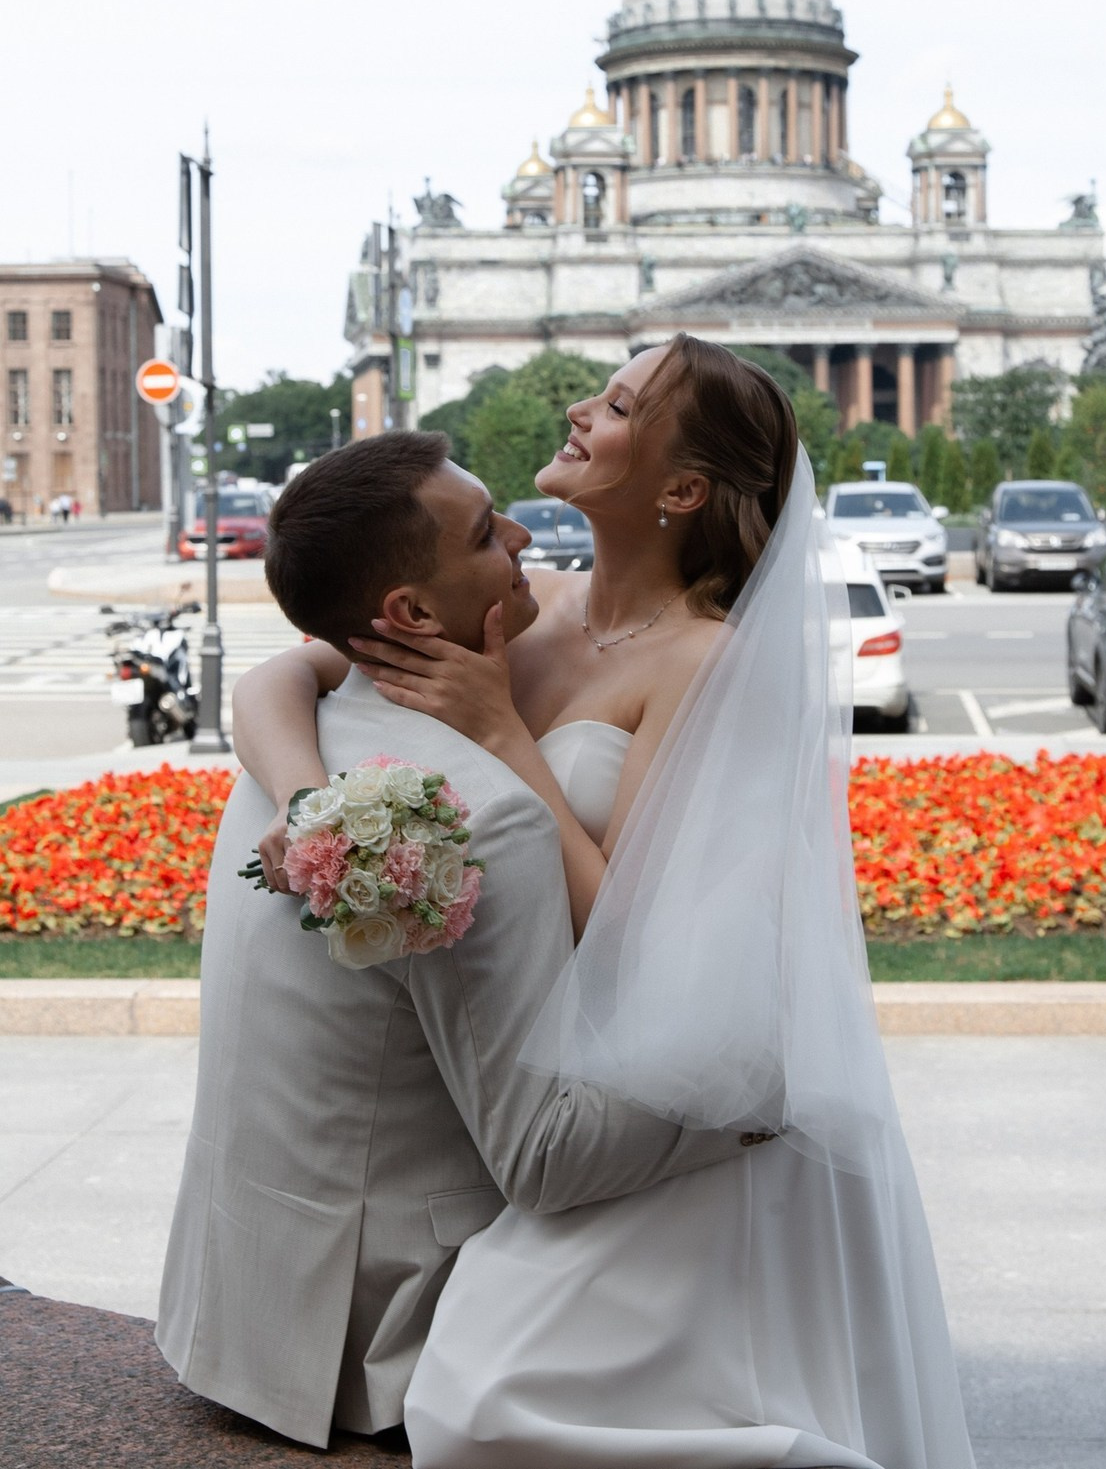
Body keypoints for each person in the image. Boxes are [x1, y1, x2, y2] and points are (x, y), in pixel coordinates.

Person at [236, 335, 975, 1469]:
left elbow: (629, 922)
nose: (581, 407)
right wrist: (304, 801)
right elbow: (283, 670)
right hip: (530, 1076)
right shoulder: (528, 601)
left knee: (488, 1407)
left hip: (645, 1084)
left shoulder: (702, 659)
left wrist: (499, 733)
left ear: (681, 488)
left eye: (619, 401)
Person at [157, 429, 757, 1450]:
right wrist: (752, 1093)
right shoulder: (486, 815)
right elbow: (543, 1158)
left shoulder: (300, 746)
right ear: (409, 613)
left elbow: (280, 670)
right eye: (486, 531)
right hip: (382, 1344)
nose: (524, 531)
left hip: (234, 1310)